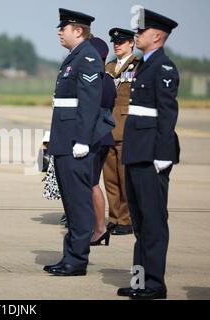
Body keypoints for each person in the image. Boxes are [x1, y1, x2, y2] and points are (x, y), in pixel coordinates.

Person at [43, 9, 113, 276]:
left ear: (79, 31)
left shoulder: (88, 58)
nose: (60, 31)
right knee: (71, 204)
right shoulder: (75, 57)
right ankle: (70, 256)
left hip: (75, 143)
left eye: (64, 27)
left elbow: (89, 104)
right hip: (65, 139)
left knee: (79, 202)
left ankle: (77, 261)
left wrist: (83, 140)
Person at [117, 9, 180, 299]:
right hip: (136, 153)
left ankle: (154, 284)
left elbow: (167, 114)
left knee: (153, 222)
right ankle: (140, 282)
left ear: (157, 36)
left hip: (152, 155)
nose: (136, 36)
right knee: (140, 223)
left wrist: (164, 153)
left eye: (140, 32)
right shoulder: (144, 65)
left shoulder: (163, 68)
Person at [103, 28, 140, 236]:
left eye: (122, 42)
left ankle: (126, 220)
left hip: (126, 130)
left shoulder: (138, 66)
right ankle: (114, 218)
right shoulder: (108, 66)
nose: (117, 45)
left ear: (131, 43)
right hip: (107, 130)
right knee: (110, 178)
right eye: (115, 42)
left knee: (125, 177)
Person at [88, 37, 116, 246]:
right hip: (105, 135)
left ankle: (99, 228)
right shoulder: (107, 79)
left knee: (90, 184)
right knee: (92, 183)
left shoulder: (95, 78)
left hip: (93, 137)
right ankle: (98, 227)